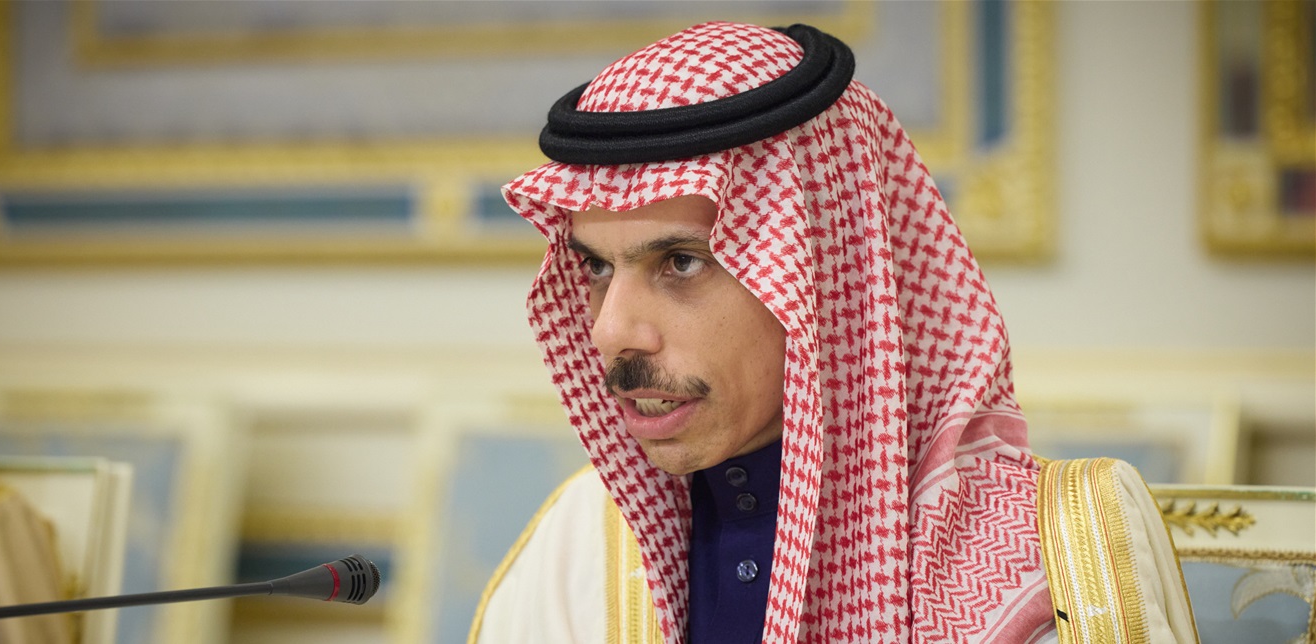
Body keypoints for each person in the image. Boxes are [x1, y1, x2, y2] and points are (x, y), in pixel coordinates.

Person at [470, 22, 1196, 644]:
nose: (610, 331)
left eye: (682, 262)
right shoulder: (583, 544)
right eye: (596, 268)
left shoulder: (1059, 553)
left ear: (825, 271)